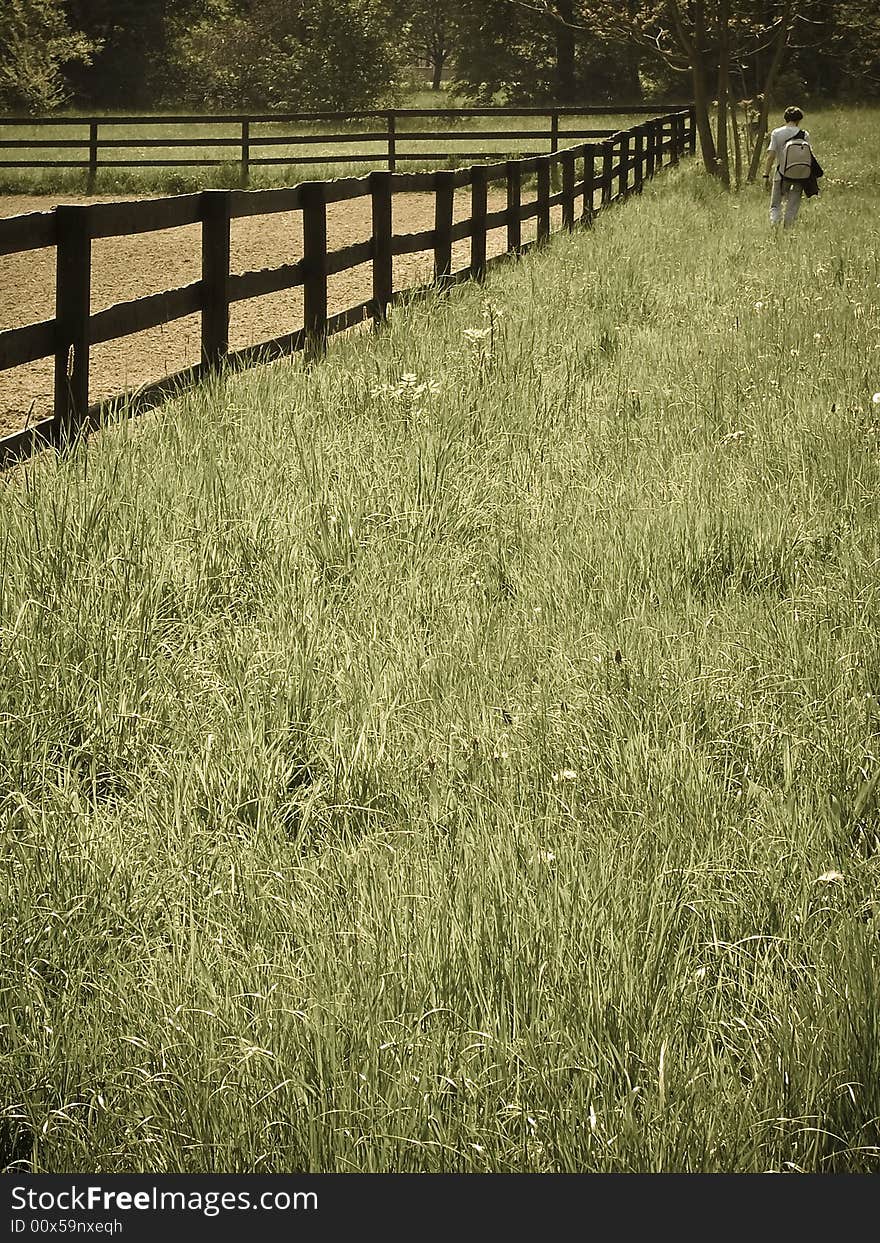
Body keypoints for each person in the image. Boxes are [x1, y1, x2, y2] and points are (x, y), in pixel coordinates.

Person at [763, 106, 813, 228]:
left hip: (781, 174)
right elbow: (809, 156)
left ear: (785, 118)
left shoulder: (776, 133)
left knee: (775, 204)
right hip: (799, 175)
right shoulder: (804, 134)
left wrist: (766, 174)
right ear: (799, 119)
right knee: (793, 205)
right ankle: (788, 229)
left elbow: (771, 156)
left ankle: (774, 226)